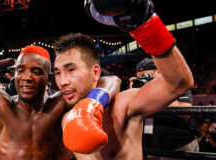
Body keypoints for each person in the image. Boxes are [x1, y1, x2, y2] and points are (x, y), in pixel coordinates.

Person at [0, 1, 121, 158]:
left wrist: (92, 103)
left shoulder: (59, 104)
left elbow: (112, 80)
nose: (26, 77)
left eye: (36, 71)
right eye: (20, 70)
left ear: (49, 79)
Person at [55, 0, 194, 159]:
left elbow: (179, 81)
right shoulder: (67, 119)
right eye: (57, 72)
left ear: (95, 73)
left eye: (71, 70)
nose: (62, 81)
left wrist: (144, 25)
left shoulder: (124, 104)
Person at [130, 58, 198, 159]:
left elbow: (186, 111)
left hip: (179, 148)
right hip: (152, 148)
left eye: (147, 76)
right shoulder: (139, 91)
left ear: (159, 73)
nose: (145, 80)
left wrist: (156, 95)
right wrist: (132, 93)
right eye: (141, 77)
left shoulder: (176, 83)